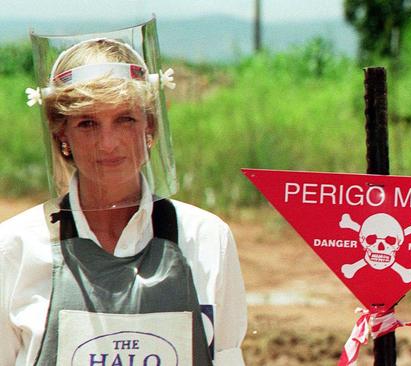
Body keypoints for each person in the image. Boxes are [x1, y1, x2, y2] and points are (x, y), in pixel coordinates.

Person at [0, 20, 247, 365]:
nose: (109, 143)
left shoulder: (207, 238)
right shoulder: (15, 247)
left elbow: (226, 357)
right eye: (87, 123)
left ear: (150, 127)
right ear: (61, 135)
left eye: (125, 120)